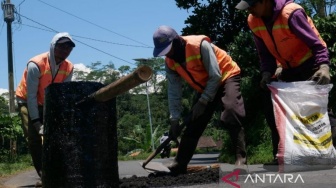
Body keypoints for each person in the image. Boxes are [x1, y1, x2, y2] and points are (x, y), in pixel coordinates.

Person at [235, 0, 336, 171]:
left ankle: (329, 151)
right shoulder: (254, 20)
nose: (250, 10)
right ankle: (282, 155)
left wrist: (324, 66)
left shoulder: (291, 13)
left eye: (252, 5)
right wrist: (267, 72)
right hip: (287, 68)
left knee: (318, 112)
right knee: (276, 110)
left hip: (309, 64)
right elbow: (264, 53)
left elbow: (316, 44)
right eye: (248, 7)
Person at [153, 25, 248, 174]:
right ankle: (179, 163)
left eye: (169, 49)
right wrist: (174, 119)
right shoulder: (170, 62)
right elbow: (173, 91)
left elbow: (216, 75)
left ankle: (240, 160)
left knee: (231, 111)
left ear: (176, 41)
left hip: (225, 76)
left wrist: (203, 102)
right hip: (206, 86)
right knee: (193, 122)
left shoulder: (199, 45)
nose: (169, 54)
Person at [16, 32, 75, 183]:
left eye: (68, 48)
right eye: (61, 46)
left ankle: (58, 172)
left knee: (55, 136)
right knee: (34, 139)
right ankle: (45, 175)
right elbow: (31, 96)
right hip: (27, 101)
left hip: (48, 102)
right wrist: (36, 122)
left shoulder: (69, 67)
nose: (65, 50)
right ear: (53, 46)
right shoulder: (36, 64)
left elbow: (62, 94)